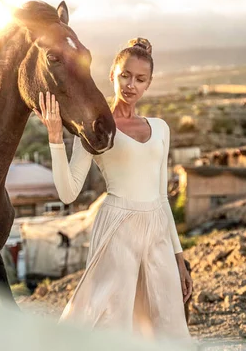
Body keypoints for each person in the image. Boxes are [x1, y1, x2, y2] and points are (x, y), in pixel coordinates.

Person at [34, 38, 193, 343]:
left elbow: (162, 197)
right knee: (112, 320)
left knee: (168, 322)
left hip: (157, 229)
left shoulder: (161, 128)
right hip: (117, 227)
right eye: (125, 75)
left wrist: (179, 258)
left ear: (148, 84)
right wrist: (56, 137)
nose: (131, 85)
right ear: (112, 75)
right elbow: (68, 193)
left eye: (140, 79)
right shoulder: (95, 126)